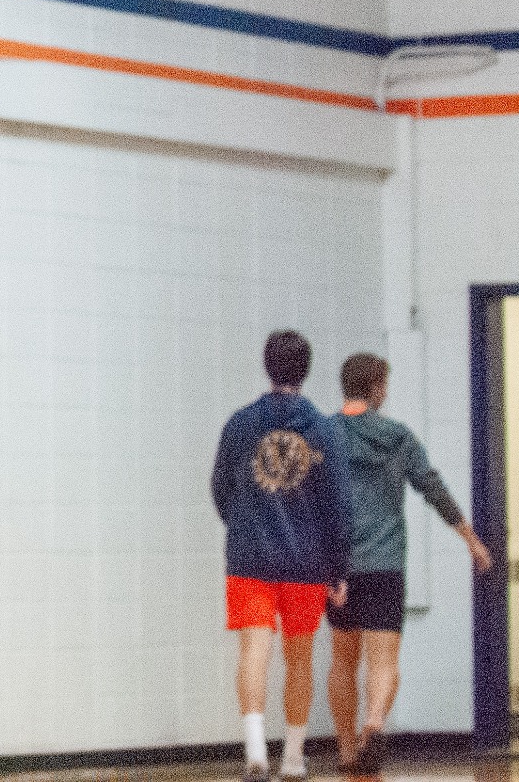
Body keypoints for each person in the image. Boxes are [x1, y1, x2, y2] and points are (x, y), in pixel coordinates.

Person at [324, 353, 492, 775]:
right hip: (385, 563)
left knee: (343, 660)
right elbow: (433, 489)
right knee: (383, 660)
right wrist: (471, 539)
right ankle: (374, 723)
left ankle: (347, 751)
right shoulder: (398, 437)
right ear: (377, 388)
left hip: (338, 565)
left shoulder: (323, 434)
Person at [212, 330, 353, 782]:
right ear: (306, 370)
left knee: (254, 650)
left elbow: (220, 489)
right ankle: (293, 758)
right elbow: (338, 504)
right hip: (307, 562)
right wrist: (339, 567)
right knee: (300, 658)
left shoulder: (239, 424)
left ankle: (256, 752)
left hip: (250, 557)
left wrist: (242, 524)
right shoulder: (325, 429)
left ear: (267, 366)